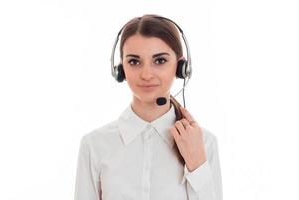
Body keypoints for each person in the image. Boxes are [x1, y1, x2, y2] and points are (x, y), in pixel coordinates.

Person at [74, 14, 223, 200]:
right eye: (134, 62)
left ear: (181, 67)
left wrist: (198, 165)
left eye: (159, 61)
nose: (146, 74)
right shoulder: (94, 145)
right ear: (120, 70)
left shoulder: (204, 143)